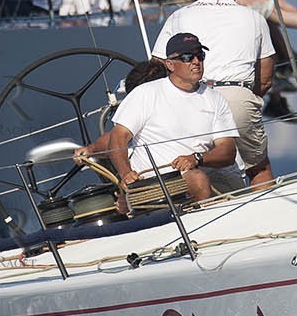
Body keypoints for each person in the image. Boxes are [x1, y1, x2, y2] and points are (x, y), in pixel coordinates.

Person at [73, 33, 242, 202]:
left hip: (197, 177)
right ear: (170, 64)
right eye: (187, 57)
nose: (196, 61)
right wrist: (125, 175)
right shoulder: (146, 93)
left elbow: (227, 151)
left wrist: (197, 158)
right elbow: (118, 136)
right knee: (198, 180)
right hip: (152, 183)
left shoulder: (215, 99)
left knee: (199, 179)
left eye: (200, 55)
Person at [152, 0, 275, 189]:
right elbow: (266, 78)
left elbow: (158, 66)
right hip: (237, 96)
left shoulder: (178, 16)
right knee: (258, 166)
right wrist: (243, 98)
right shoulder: (254, 18)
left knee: (195, 166)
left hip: (193, 99)